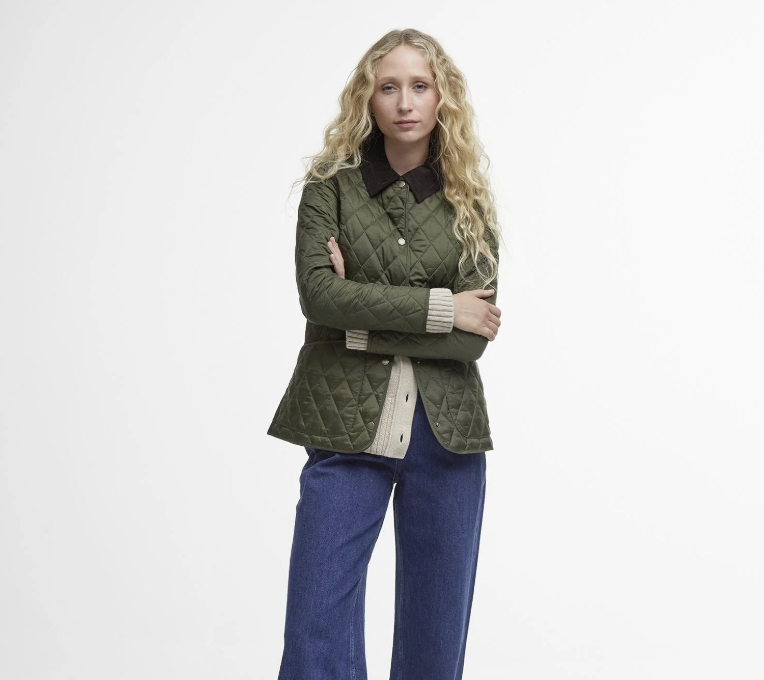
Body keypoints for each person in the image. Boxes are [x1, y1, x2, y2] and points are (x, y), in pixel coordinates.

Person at [268, 28, 503, 680]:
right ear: (367, 98)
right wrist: (440, 308)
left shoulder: (470, 201)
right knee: (315, 634)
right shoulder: (329, 187)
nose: (404, 102)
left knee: (434, 646)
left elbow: (473, 335)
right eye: (389, 86)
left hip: (446, 437)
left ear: (441, 98)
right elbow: (320, 297)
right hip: (344, 426)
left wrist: (359, 317)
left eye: (420, 86)